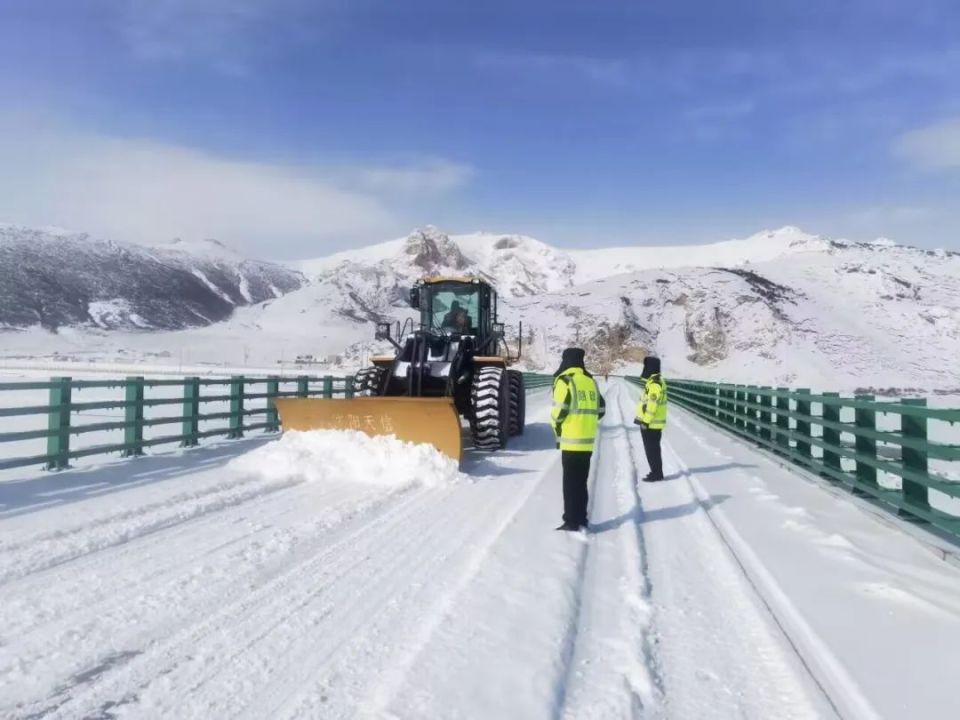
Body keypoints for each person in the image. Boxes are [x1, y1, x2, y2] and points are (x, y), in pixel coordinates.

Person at [552, 347, 606, 531]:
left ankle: (571, 521)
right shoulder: (591, 381)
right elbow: (601, 410)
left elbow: (558, 412)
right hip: (588, 440)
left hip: (571, 440)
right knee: (581, 482)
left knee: (570, 484)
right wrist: (586, 422)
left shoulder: (565, 381)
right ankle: (581, 518)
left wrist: (557, 430)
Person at [633, 356, 668, 482]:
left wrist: (645, 422)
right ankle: (656, 472)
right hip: (653, 423)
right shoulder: (657, 381)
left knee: (652, 450)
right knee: (654, 449)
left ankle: (656, 474)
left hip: (651, 424)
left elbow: (651, 405)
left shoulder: (654, 384)